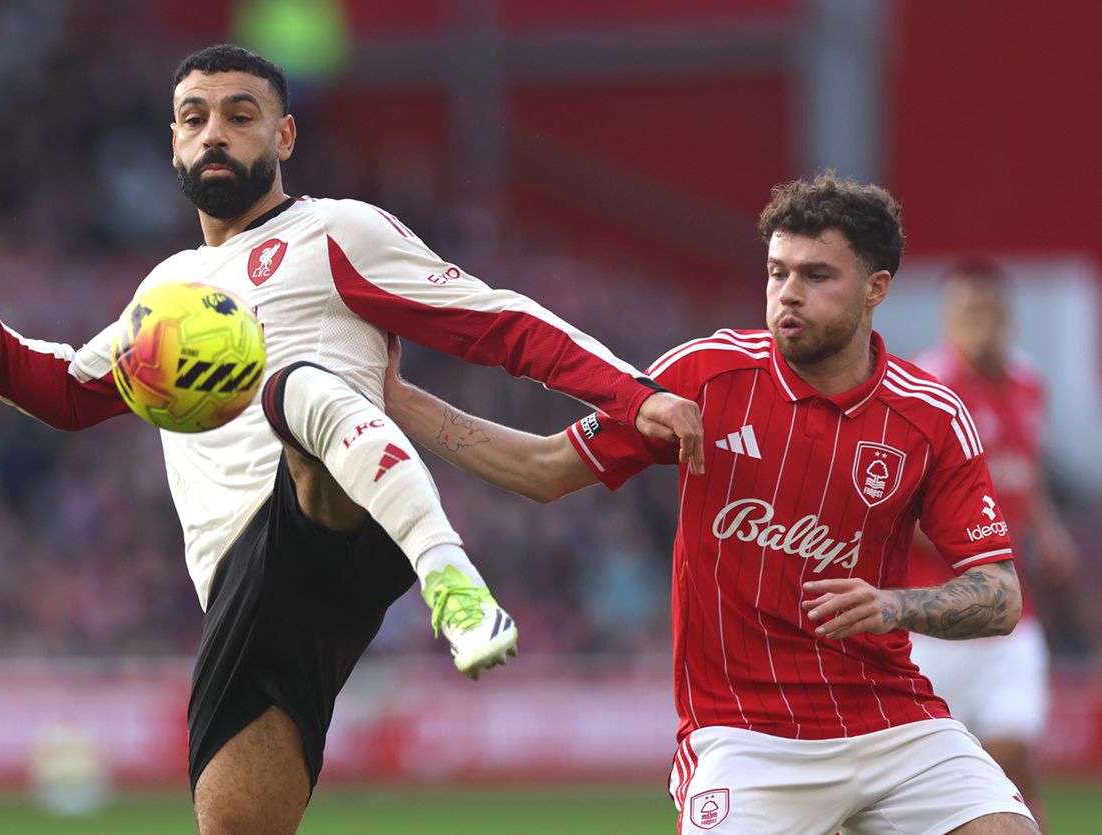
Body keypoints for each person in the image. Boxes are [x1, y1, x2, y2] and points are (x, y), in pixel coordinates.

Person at [0, 45, 703, 835]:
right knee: (236, 822)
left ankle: (451, 579)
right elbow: (72, 394)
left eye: (240, 116)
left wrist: (635, 396)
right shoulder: (165, 294)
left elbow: (498, 323)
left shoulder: (337, 232)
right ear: (173, 143)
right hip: (244, 584)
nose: (215, 132)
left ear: (283, 137)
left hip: (341, 509)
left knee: (292, 388)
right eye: (194, 118)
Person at [384, 173, 1041, 834]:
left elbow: (1000, 592)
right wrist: (399, 400)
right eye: (776, 272)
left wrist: (893, 604)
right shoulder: (704, 377)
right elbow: (542, 469)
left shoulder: (930, 415)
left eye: (816, 276)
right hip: (747, 736)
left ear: (875, 289)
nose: (787, 293)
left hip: (894, 721)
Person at [907, 259, 1080, 828]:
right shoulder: (925, 393)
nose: (983, 324)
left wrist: (1047, 531)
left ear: (1009, 316)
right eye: (969, 311)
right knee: (917, 780)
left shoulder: (1031, 386)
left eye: (992, 311)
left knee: (1014, 758)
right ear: (948, 318)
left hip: (1011, 614)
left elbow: (1022, 476)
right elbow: (895, 506)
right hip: (935, 617)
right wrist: (966, 545)